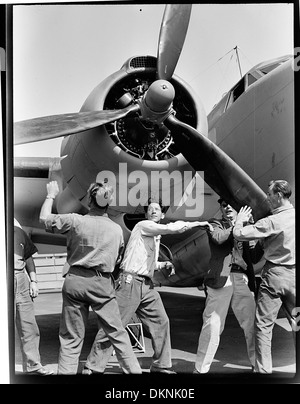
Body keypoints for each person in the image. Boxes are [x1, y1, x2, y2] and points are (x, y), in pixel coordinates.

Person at [82, 198, 213, 374]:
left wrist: (163, 265)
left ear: (163, 214)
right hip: (130, 283)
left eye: (157, 209)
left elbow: (145, 262)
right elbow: (170, 228)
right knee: (115, 325)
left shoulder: (154, 235)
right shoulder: (143, 226)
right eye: (150, 209)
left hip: (146, 285)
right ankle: (93, 366)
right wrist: (199, 223)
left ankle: (160, 366)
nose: (153, 211)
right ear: (146, 214)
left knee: (161, 321)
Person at [39, 180, 142, 375]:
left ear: (89, 199)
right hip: (101, 283)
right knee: (117, 333)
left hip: (74, 280)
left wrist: (51, 195)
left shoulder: (75, 220)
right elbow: (118, 258)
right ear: (108, 202)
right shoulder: (116, 230)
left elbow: (44, 218)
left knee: (71, 338)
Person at [233, 180, 295, 374]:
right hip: (295, 278)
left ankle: (263, 371)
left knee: (263, 325)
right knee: (297, 322)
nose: (266, 198)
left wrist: (239, 220)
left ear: (278, 195)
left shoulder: (271, 221)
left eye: (269, 194)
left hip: (274, 277)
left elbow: (240, 234)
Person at [193, 198, 258, 374]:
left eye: (231, 204)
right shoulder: (215, 223)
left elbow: (255, 256)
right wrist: (237, 224)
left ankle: (258, 366)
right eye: (224, 205)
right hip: (221, 279)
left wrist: (259, 234)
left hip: (241, 277)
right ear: (220, 209)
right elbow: (218, 238)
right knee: (213, 325)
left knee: (252, 323)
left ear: (240, 209)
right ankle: (200, 370)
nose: (228, 207)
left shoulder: (246, 226)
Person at [14, 218, 54, 376]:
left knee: (29, 326)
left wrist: (34, 281)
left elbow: (28, 257)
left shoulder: (19, 232)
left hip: (21, 279)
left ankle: (33, 366)